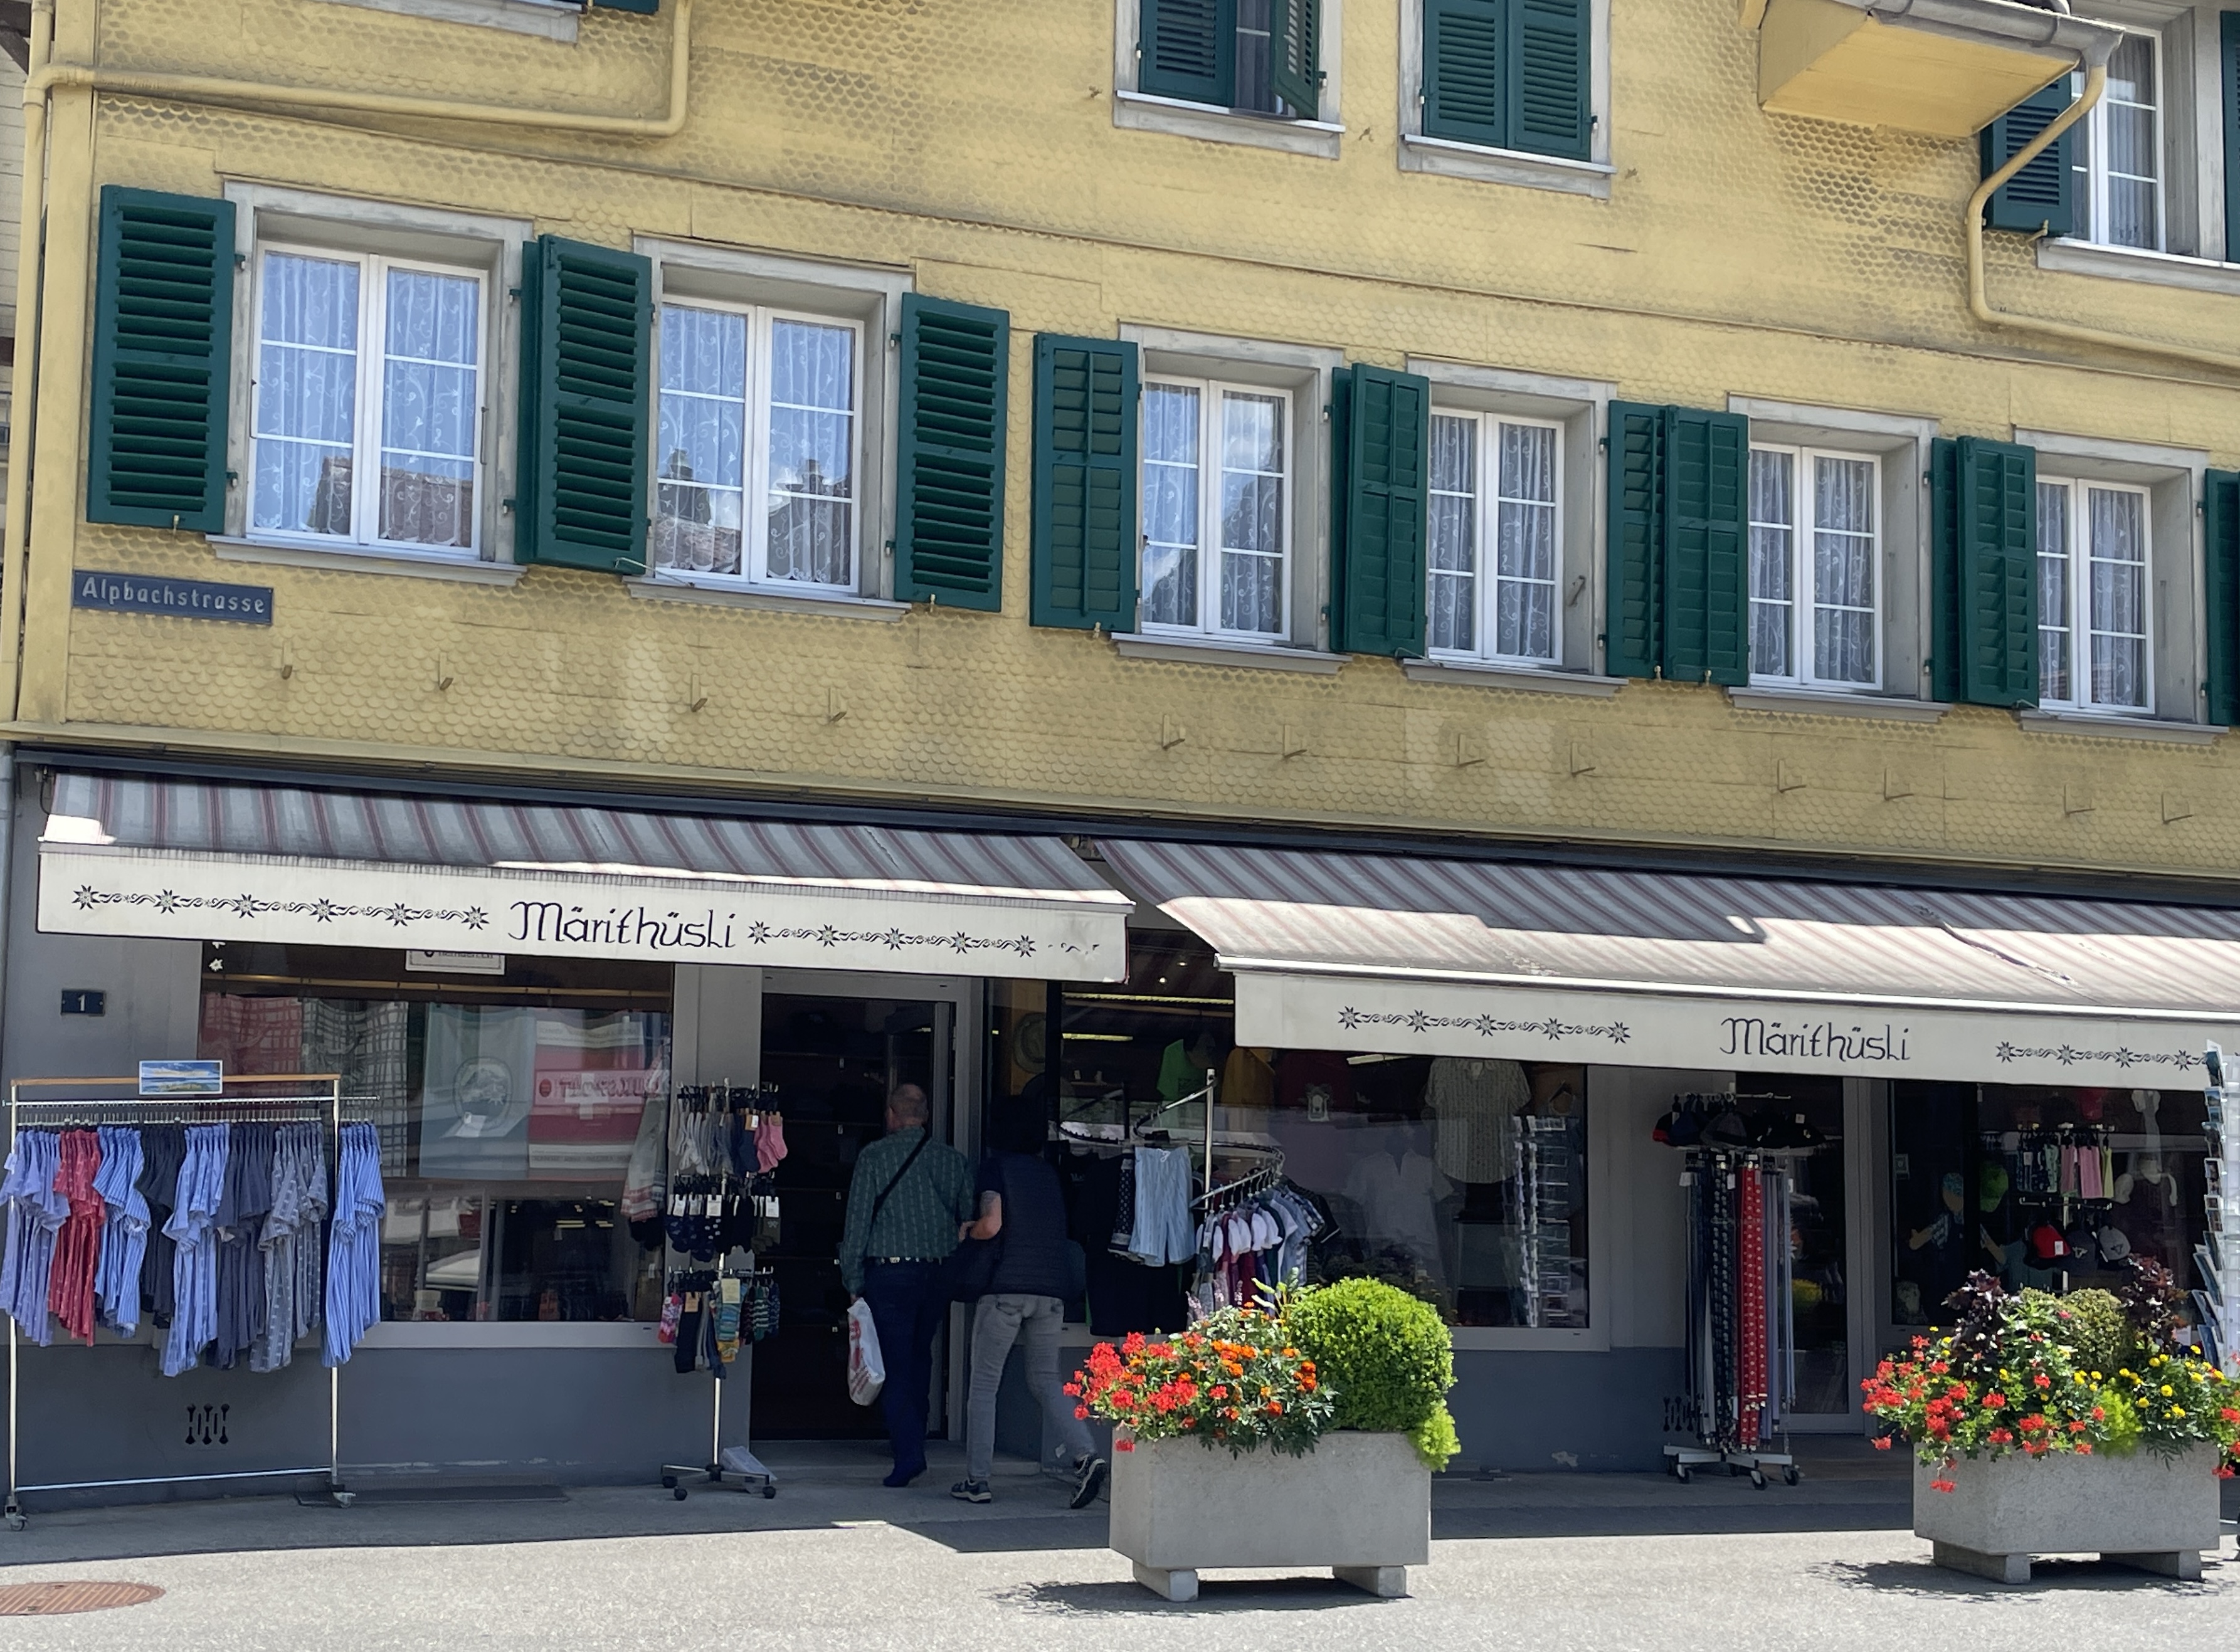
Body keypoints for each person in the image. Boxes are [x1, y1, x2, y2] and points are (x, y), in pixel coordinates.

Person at [951, 1096, 1107, 1508]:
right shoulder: (1048, 1174)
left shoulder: (997, 1168)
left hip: (1005, 1291)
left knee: (984, 1385)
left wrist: (968, 1231)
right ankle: (1086, 1454)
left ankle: (978, 1480)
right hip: (1050, 1293)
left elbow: (993, 1223)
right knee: (1046, 1381)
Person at [839, 1083, 973, 1487]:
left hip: (890, 1273)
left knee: (893, 1362)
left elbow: (858, 1222)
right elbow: (967, 1217)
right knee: (919, 1355)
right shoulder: (953, 1161)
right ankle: (915, 1434)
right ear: (926, 1116)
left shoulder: (874, 1157)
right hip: (937, 1272)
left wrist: (853, 1279)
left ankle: (909, 1452)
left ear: (891, 1115)